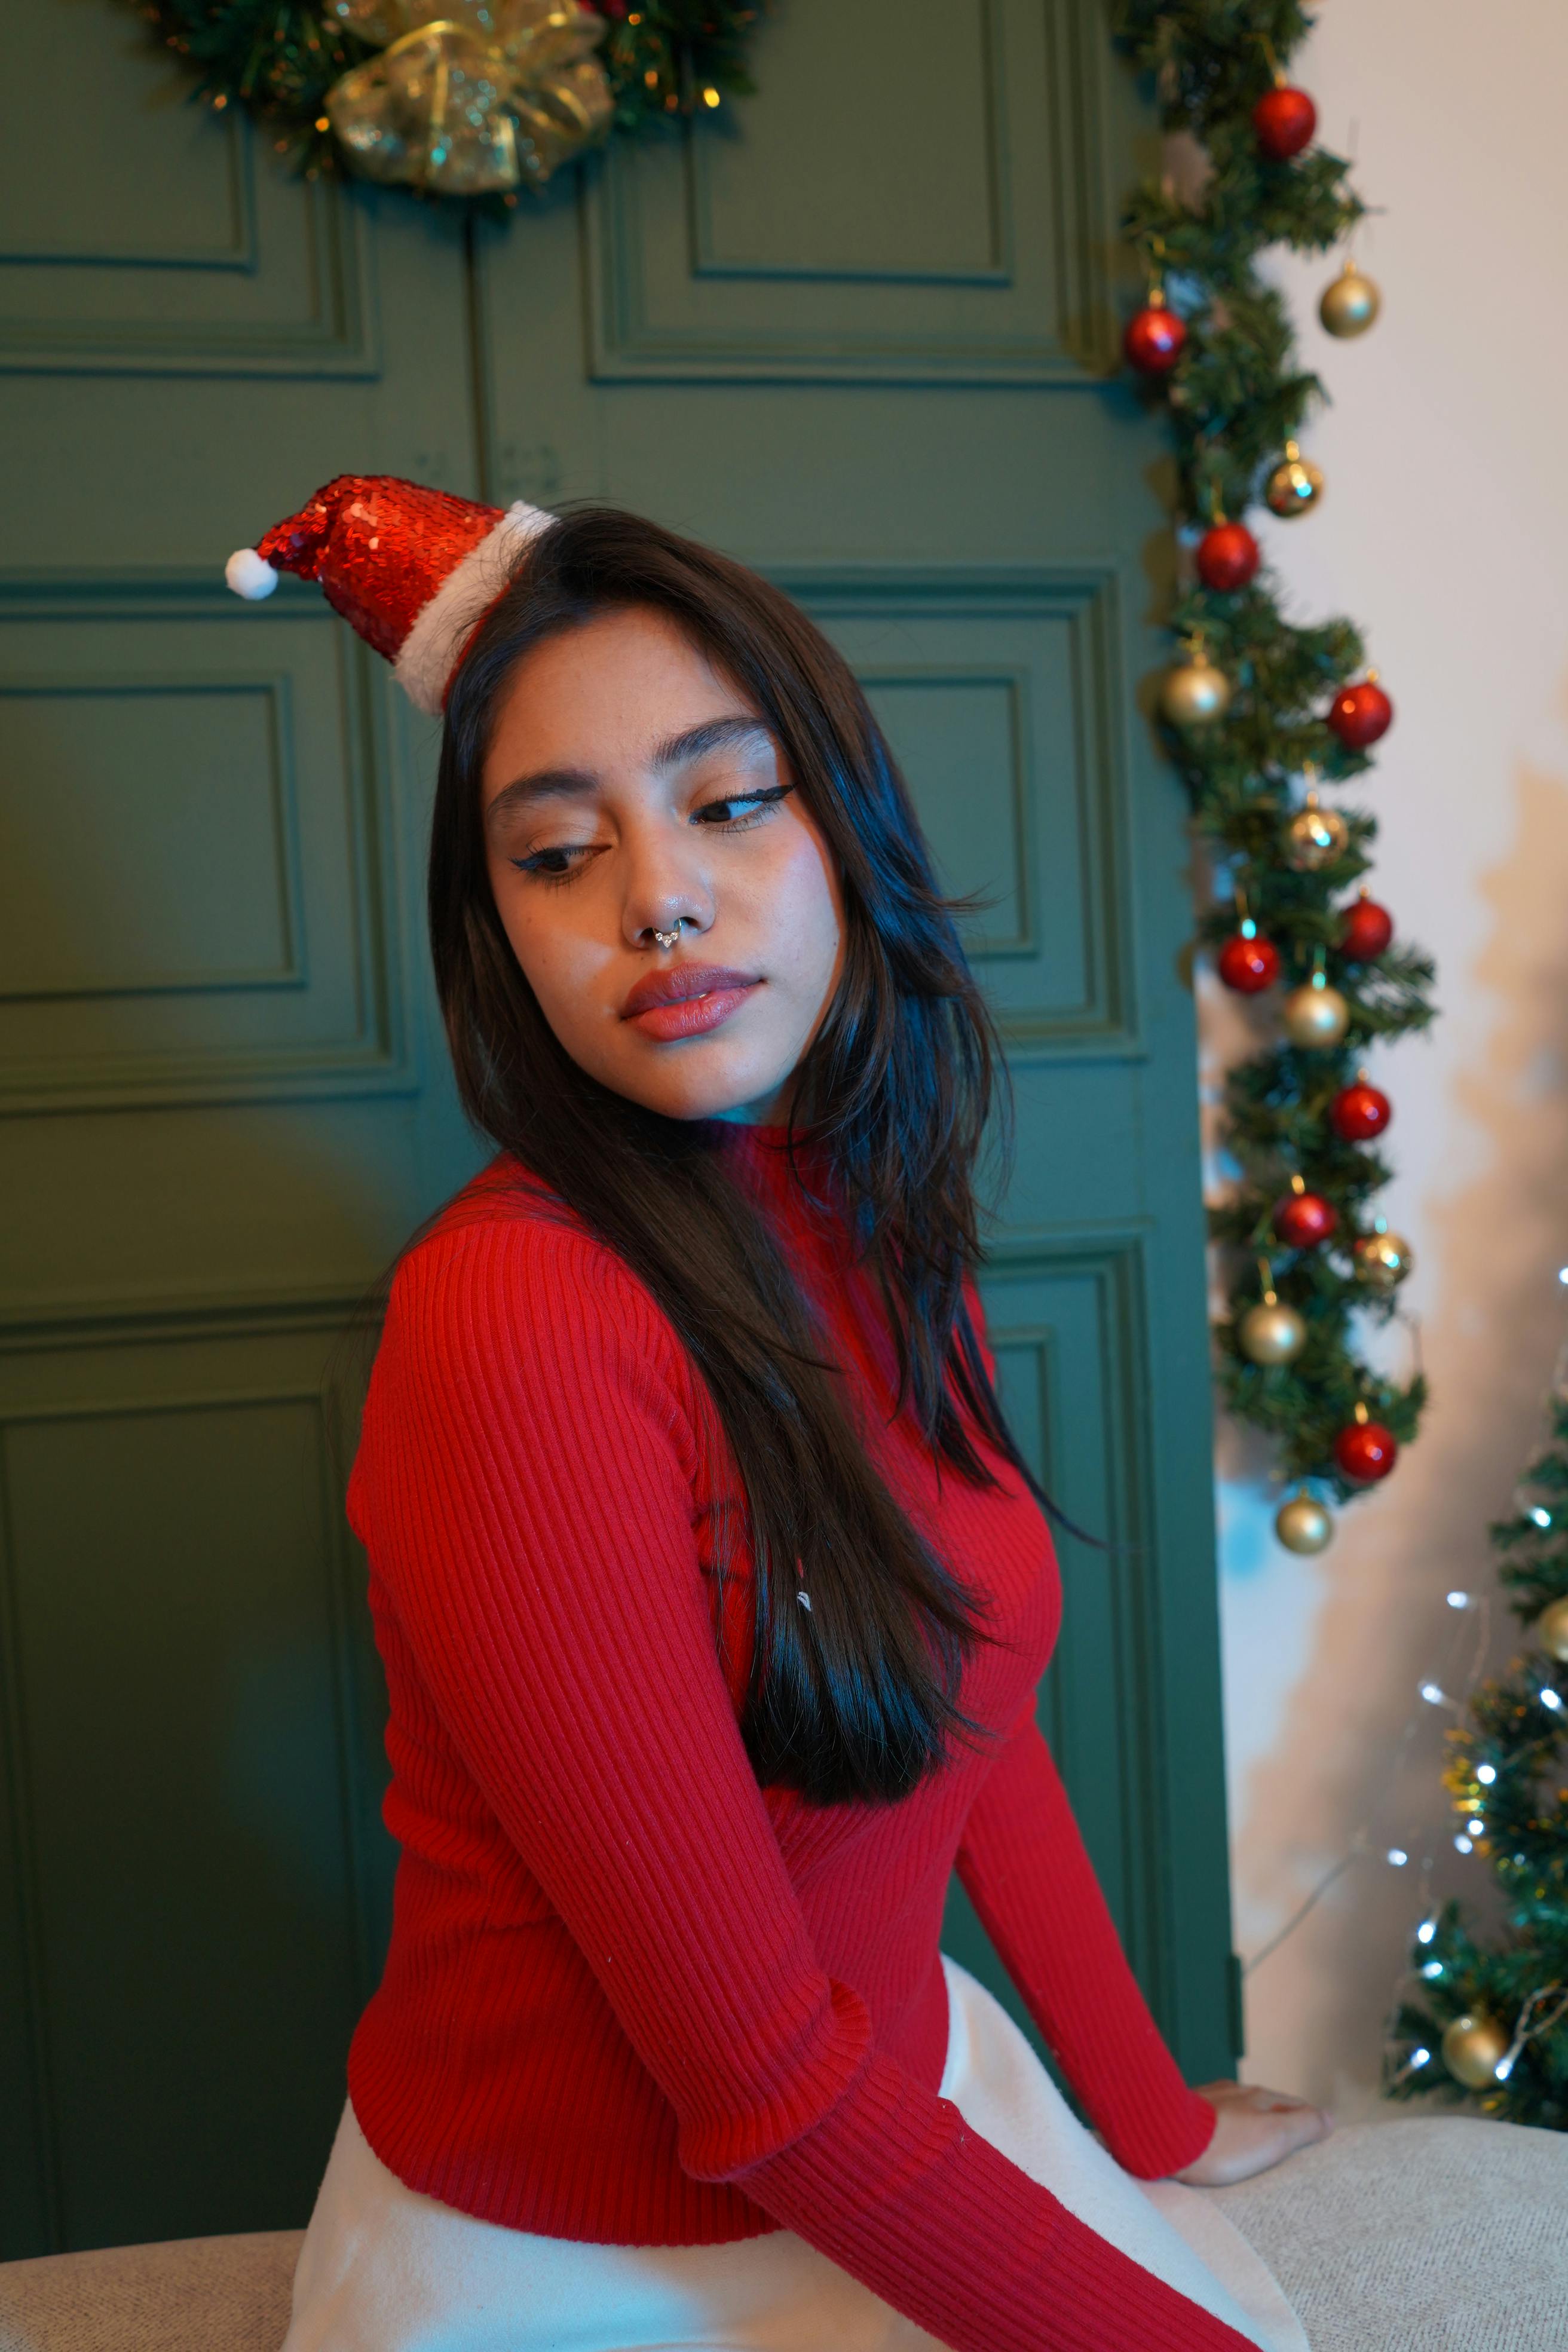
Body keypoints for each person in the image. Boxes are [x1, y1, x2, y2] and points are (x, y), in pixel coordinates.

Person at [226, 478, 1333, 2352]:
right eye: (557, 854)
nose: (658, 896)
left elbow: (965, 1698)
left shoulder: (868, 1204)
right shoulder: (512, 1320)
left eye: (730, 802)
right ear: (498, 933)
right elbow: (758, 2082)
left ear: (845, 823)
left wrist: (1151, 2119)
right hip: (590, 2251)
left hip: (888, 2089)